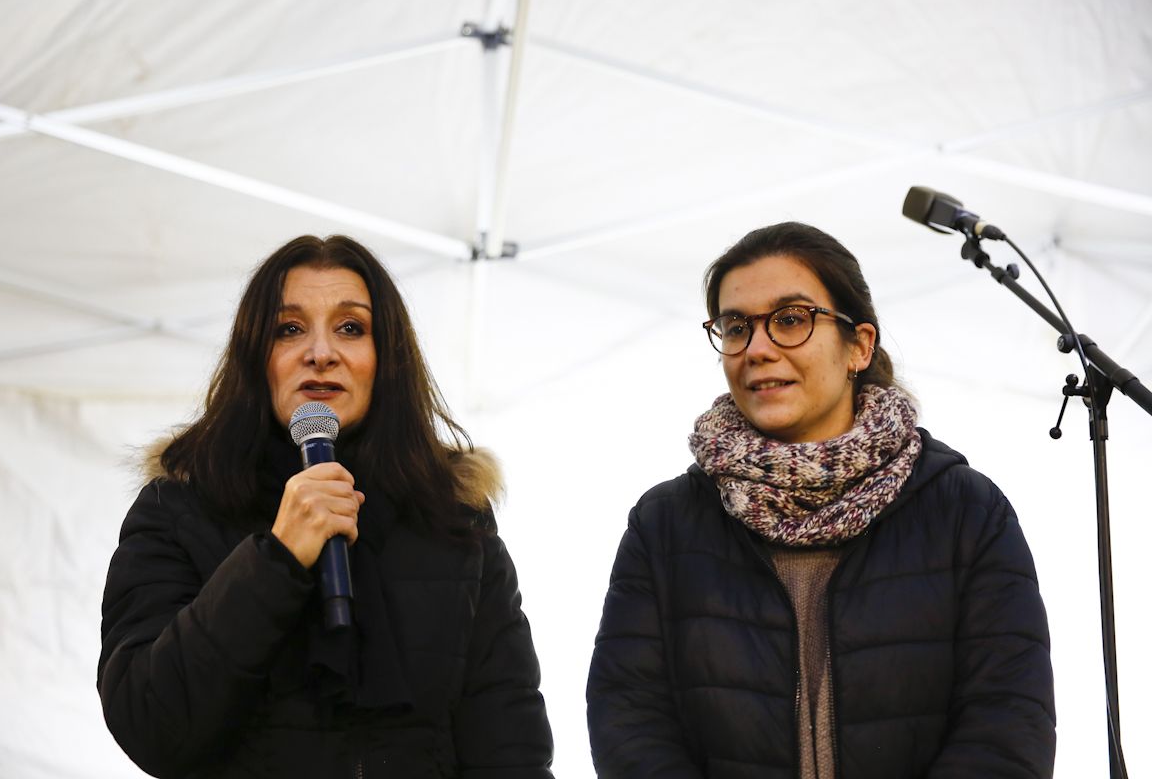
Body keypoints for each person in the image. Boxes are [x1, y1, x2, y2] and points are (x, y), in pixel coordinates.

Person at [586, 222, 1055, 778]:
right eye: (736, 327)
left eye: (790, 319)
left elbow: (1008, 723)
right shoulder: (664, 526)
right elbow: (628, 720)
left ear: (859, 345)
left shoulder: (967, 512)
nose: (757, 348)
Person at [98, 234, 554, 778]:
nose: (321, 352)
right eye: (289, 329)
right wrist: (276, 557)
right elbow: (150, 723)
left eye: (351, 328)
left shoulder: (453, 518)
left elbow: (509, 738)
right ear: (254, 357)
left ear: (386, 359)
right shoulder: (178, 508)